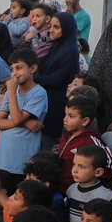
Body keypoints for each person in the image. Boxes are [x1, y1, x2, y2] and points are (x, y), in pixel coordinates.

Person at [0, 49, 47, 183]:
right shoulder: (11, 92)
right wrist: (26, 123)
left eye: (19, 68)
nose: (14, 73)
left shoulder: (39, 93)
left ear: (33, 68)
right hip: (2, 157)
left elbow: (16, 119)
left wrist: (11, 92)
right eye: (12, 69)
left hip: (21, 161)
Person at [34, 12, 81, 143]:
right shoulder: (56, 46)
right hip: (47, 99)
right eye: (51, 27)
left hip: (56, 103)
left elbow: (57, 78)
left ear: (66, 29)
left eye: (56, 27)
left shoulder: (71, 50)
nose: (51, 31)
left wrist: (32, 80)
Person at [55, 96, 109, 193]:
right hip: (61, 189)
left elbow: (108, 164)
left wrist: (87, 185)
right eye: (65, 115)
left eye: (71, 116)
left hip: (78, 192)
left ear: (85, 121)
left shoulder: (90, 141)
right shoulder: (65, 137)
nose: (65, 119)